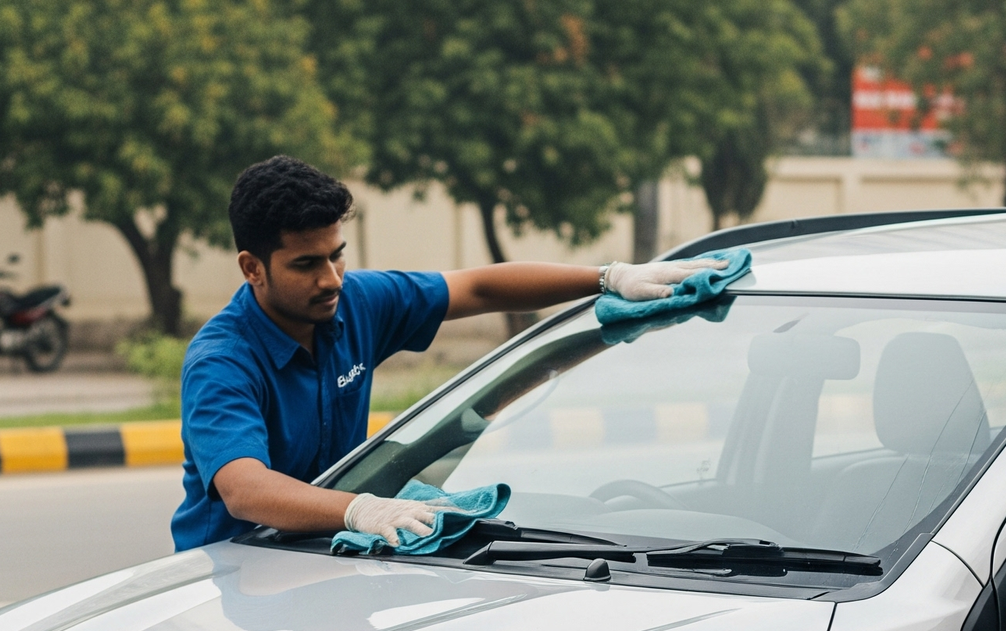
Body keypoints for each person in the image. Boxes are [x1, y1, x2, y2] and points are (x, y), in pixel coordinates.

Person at [171, 156, 719, 552]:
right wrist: (358, 508)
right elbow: (244, 490)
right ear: (252, 267)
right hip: (235, 572)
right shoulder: (223, 360)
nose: (331, 278)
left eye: (337, 256)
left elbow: (478, 288)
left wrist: (608, 277)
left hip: (325, 555)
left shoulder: (357, 302)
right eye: (306, 264)